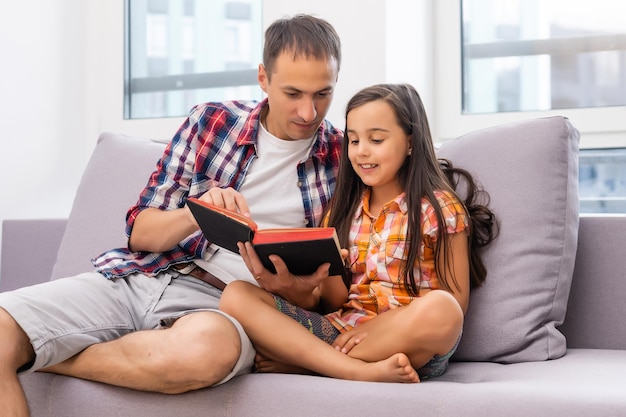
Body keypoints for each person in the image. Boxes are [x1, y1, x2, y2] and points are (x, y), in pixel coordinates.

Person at [0, 14, 343, 416]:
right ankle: (36, 344)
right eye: (293, 93)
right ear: (264, 79)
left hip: (225, 307)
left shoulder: (342, 157)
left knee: (203, 353)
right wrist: (197, 213)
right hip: (146, 275)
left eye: (323, 94)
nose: (308, 111)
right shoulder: (213, 122)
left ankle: (43, 350)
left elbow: (338, 292)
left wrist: (300, 295)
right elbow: (141, 234)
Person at [219, 83, 498, 382]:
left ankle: (312, 364)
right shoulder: (342, 210)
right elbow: (335, 302)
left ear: (410, 142)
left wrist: (379, 328)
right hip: (343, 331)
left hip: (411, 342)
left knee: (444, 309)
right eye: (353, 141)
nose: (362, 151)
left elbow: (457, 300)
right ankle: (356, 370)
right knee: (235, 295)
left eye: (376, 139)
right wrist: (325, 274)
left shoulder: (440, 209)